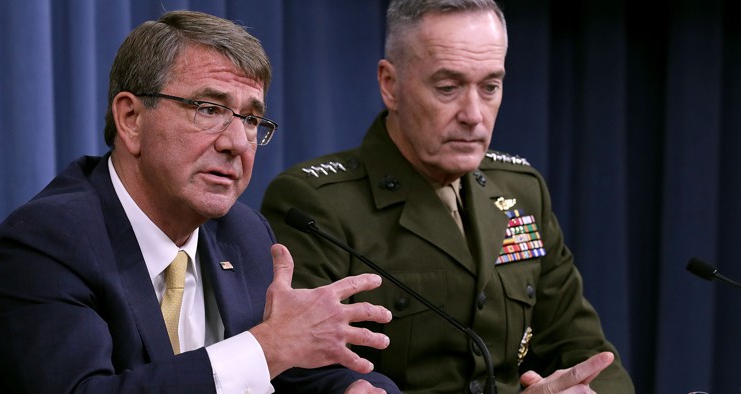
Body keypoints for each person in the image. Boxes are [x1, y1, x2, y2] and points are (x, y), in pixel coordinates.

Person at [0, 10, 396, 394]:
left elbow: (288, 370)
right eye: (209, 110)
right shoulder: (46, 243)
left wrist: (349, 390)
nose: (238, 142)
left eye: (252, 120)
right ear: (131, 118)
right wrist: (266, 347)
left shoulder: (243, 234)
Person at [261, 0, 636, 393]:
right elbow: (304, 372)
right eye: (448, 87)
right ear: (390, 84)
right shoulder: (315, 202)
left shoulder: (522, 190)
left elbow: (586, 352)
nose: (473, 114)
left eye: (490, 86)